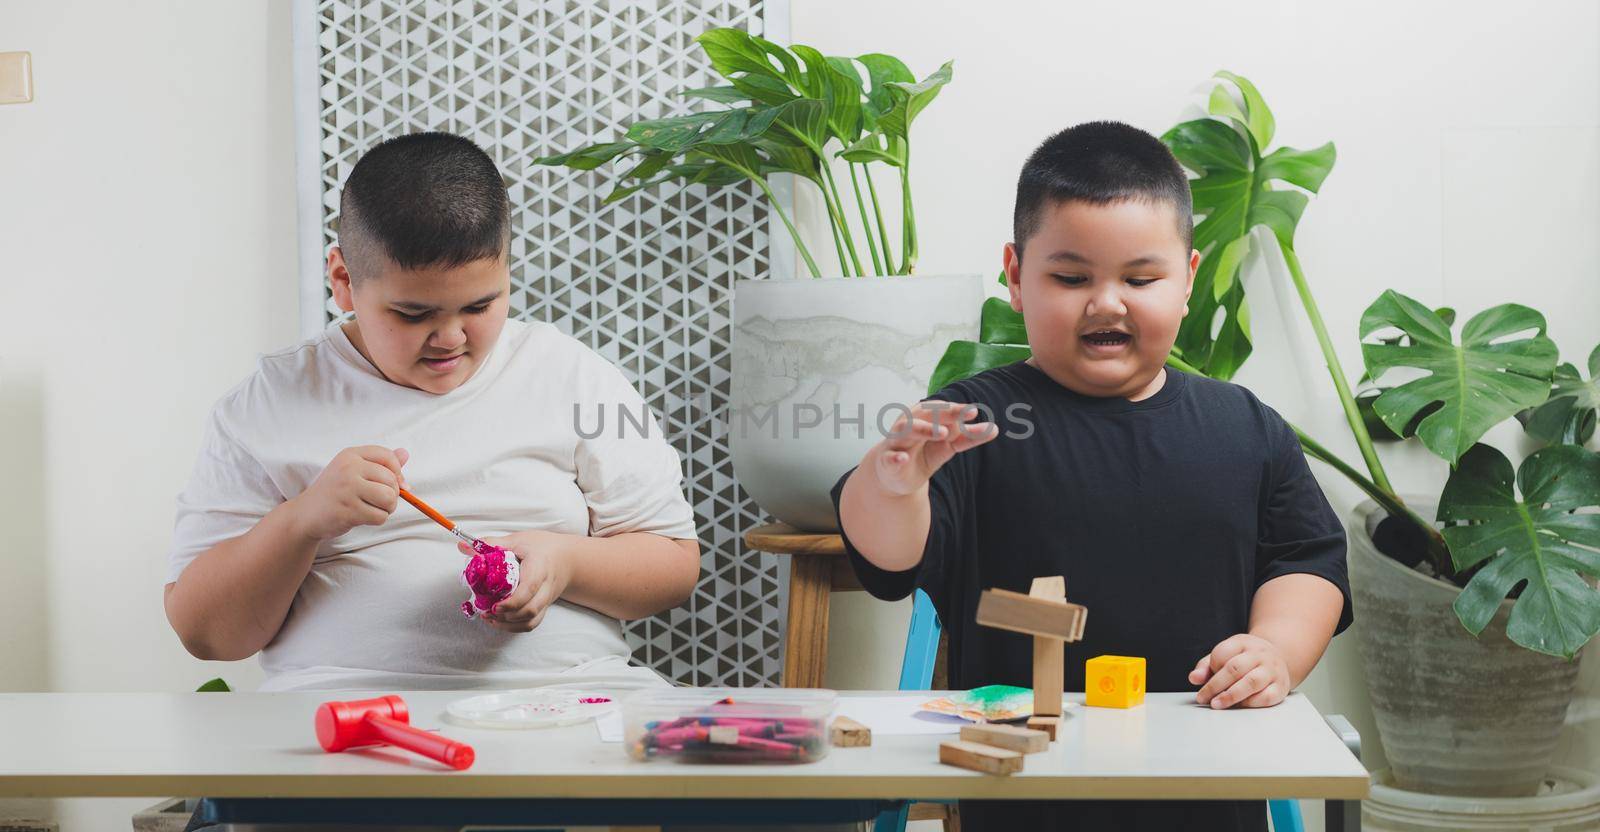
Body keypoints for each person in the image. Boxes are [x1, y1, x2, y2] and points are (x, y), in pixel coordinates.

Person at [832, 121, 1352, 831]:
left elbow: (1306, 560)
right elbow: (891, 562)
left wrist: (1276, 651)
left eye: (1140, 279)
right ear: (1015, 277)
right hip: (1026, 794)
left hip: (1206, 788)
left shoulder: (1244, 427)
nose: (1107, 302)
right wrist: (892, 487)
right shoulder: (972, 422)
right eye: (1071, 278)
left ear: (1189, 279)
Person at [164, 132, 700, 692]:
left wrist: (566, 562)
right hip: (341, 713)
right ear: (343, 281)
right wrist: (305, 519)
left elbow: (674, 565)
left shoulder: (578, 376)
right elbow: (205, 634)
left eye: (479, 305)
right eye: (413, 313)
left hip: (576, 696)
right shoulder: (268, 402)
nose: (450, 337)